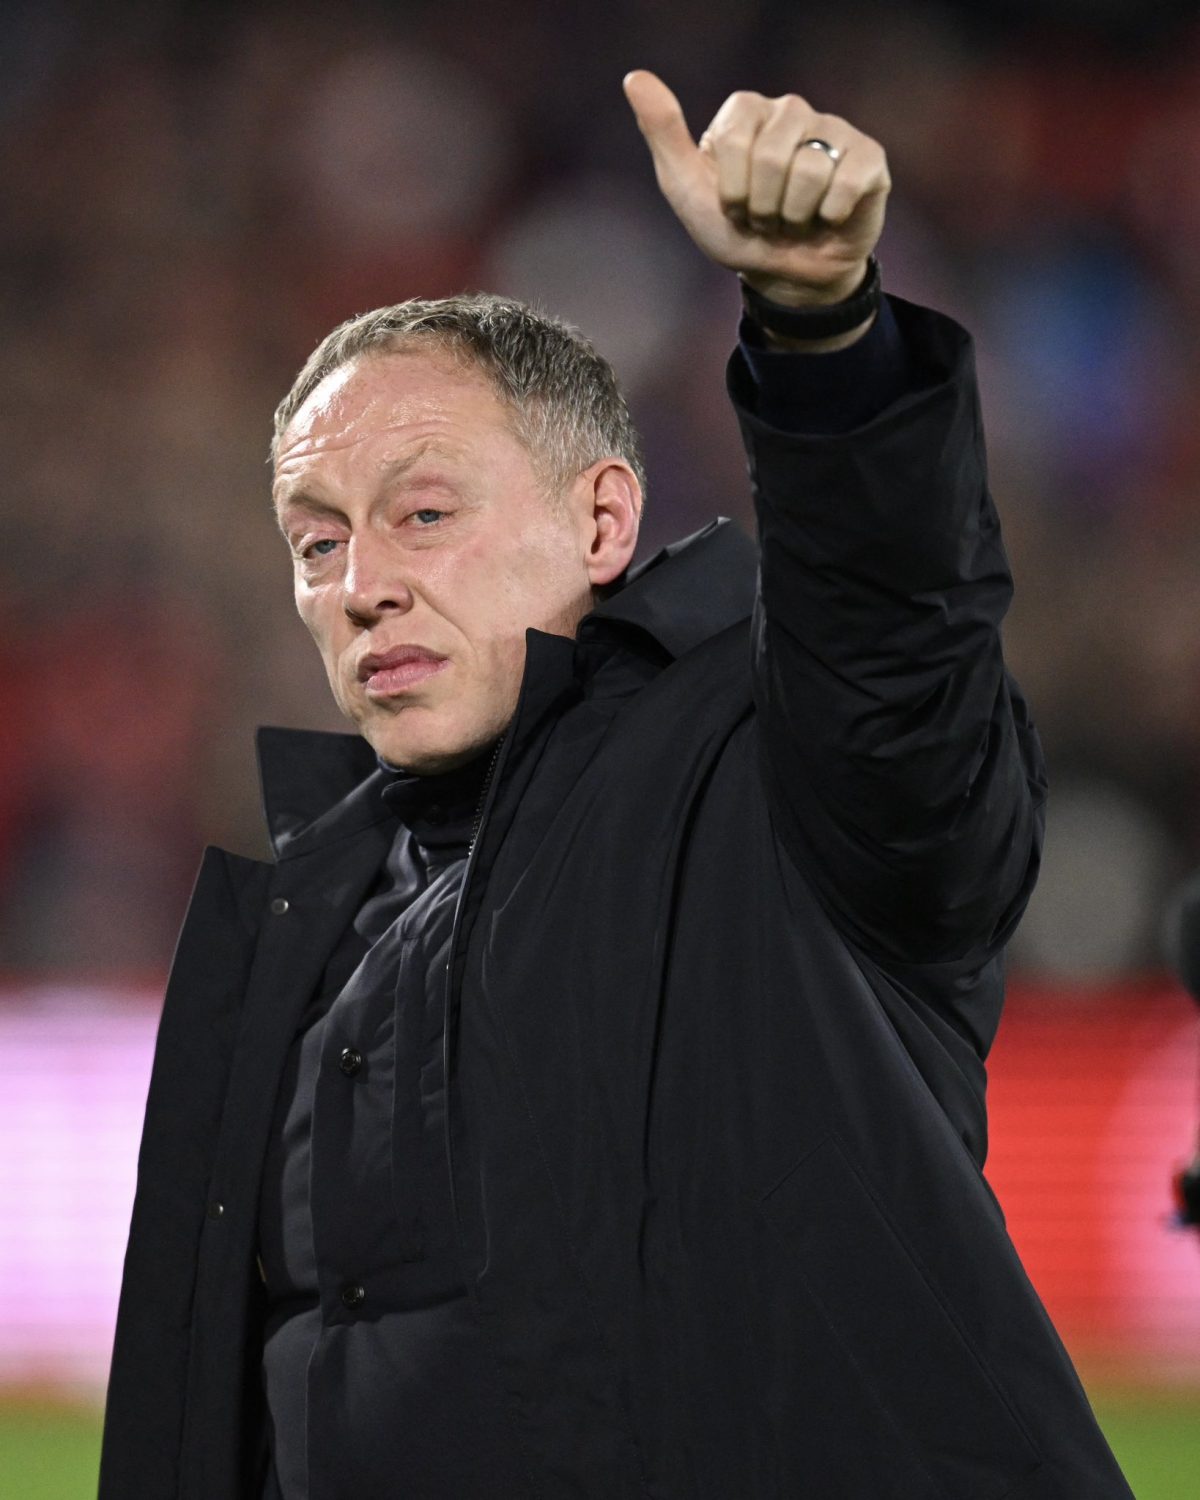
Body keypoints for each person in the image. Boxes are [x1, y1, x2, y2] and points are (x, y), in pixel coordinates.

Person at [99, 71, 1134, 1498]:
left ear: (602, 520)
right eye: (317, 541)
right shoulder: (294, 929)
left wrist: (824, 336)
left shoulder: (772, 781)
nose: (361, 584)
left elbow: (900, 646)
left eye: (423, 513)